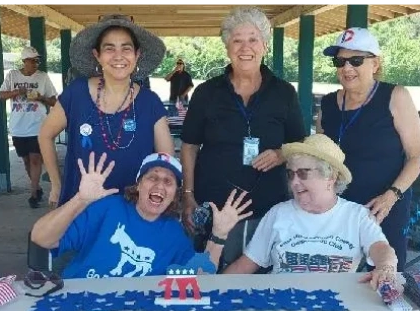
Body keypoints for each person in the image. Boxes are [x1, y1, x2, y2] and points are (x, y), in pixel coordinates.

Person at [180, 6, 306, 270]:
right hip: (213, 208)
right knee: (208, 279)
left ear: (264, 46)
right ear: (227, 47)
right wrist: (188, 195)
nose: (244, 47)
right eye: (237, 40)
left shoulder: (284, 93)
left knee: (260, 288)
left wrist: (282, 154)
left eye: (253, 39)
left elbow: (300, 145)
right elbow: (189, 146)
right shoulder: (206, 93)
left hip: (268, 209)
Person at [30, 152, 252, 279]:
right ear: (138, 185)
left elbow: (199, 278)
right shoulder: (106, 208)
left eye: (168, 182)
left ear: (175, 194)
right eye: (152, 178)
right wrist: (80, 200)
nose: (159, 185)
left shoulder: (174, 233)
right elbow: (40, 238)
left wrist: (219, 235)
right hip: (79, 304)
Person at [224, 134, 399, 288]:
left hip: (337, 309)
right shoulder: (279, 214)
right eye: (291, 174)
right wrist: (204, 292)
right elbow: (245, 266)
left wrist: (386, 268)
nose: (294, 182)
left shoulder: (358, 216)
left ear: (330, 177)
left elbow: (381, 249)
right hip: (282, 308)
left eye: (303, 173)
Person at [38, 14, 174, 209]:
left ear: (137, 55)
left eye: (126, 48)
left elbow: (165, 160)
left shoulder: (150, 102)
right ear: (97, 55)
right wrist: (56, 184)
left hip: (134, 211)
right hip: (80, 207)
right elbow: (45, 135)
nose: (118, 56)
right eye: (109, 48)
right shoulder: (76, 93)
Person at [316, 27, 420, 274]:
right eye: (340, 61)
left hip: (384, 209)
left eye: (356, 60)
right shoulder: (328, 104)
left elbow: (417, 155)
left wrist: (392, 195)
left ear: (375, 64)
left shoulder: (395, 96)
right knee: (335, 282)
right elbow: (319, 157)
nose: (347, 68)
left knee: (385, 281)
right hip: (338, 211)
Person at [0, 46, 57, 208]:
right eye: (32, 60)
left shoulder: (43, 77)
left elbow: (54, 102)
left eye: (37, 60)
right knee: (26, 161)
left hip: (38, 126)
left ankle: (33, 195)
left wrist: (41, 97)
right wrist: (17, 91)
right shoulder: (12, 75)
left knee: (35, 159)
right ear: (24, 61)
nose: (36, 63)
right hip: (18, 127)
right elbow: (0, 95)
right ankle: (37, 187)